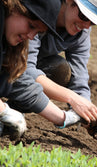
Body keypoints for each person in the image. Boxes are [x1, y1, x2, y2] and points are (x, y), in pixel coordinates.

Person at [4, 0, 97, 139]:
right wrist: (72, 99)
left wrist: (86, 112)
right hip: (12, 63)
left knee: (59, 70)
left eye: (93, 22)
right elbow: (24, 68)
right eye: (84, 16)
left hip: (18, 69)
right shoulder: (38, 11)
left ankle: (13, 111)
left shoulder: (81, 32)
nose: (86, 26)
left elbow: (79, 76)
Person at [0, 0, 65, 138]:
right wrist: (3, 110)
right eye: (31, 25)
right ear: (15, 8)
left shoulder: (9, 41)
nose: (30, 36)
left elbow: (18, 81)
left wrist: (64, 118)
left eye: (38, 32)